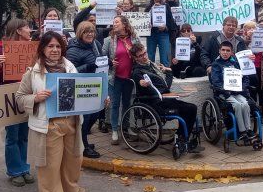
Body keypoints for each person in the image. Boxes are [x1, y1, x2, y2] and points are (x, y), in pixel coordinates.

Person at [16, 31, 87, 192]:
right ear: (43, 49)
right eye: (50, 46)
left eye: (58, 46)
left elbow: (83, 92)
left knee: (72, 161)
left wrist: (98, 99)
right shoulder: (32, 72)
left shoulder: (71, 68)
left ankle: (69, 189)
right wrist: (35, 98)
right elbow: (19, 99)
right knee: (49, 167)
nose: (54, 50)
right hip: (48, 125)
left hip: (71, 122)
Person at [130, 43, 203, 152]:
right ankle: (181, 138)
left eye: (144, 53)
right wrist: (142, 83)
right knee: (190, 109)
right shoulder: (137, 71)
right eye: (140, 55)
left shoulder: (152, 66)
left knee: (192, 108)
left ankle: (181, 137)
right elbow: (139, 81)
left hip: (166, 98)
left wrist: (168, 71)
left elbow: (165, 86)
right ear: (135, 58)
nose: (144, 56)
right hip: (155, 102)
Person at [0, 19, 35, 187]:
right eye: (27, 27)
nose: (30, 30)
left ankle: (25, 168)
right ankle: (15, 170)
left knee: (25, 135)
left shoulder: (33, 48)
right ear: (18, 30)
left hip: (28, 96)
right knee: (12, 136)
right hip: (11, 97)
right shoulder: (3, 49)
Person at [66, 21, 106, 158]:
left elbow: (100, 61)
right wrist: (87, 67)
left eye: (92, 31)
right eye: (86, 32)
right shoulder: (73, 50)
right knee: (85, 118)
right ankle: (83, 146)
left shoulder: (96, 45)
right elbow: (70, 72)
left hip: (95, 85)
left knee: (95, 114)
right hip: (81, 88)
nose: (90, 34)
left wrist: (108, 63)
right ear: (80, 33)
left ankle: (82, 140)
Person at [102, 16, 140, 145]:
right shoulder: (109, 40)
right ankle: (114, 130)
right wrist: (110, 62)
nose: (114, 24)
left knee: (127, 104)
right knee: (115, 104)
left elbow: (141, 54)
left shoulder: (134, 39)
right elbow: (102, 58)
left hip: (130, 78)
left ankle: (127, 128)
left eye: (117, 22)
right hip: (115, 78)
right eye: (113, 22)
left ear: (124, 24)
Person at [210, 41, 256, 141]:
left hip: (237, 92)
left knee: (245, 104)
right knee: (238, 105)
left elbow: (245, 78)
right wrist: (225, 89)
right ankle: (242, 131)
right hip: (224, 93)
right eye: (223, 50)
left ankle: (248, 129)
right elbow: (215, 82)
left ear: (232, 52)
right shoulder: (216, 65)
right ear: (219, 51)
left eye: (228, 51)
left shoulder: (236, 63)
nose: (225, 52)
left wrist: (242, 87)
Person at [242, 21, 263, 125]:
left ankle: (262, 115)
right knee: (251, 94)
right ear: (245, 31)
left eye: (253, 28)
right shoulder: (243, 41)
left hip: (262, 70)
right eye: (249, 28)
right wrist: (248, 38)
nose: (252, 30)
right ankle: (254, 115)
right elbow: (240, 50)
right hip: (249, 71)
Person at [145, 0, 177, 66]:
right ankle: (152, 75)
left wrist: (165, 27)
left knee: (164, 57)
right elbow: (144, 19)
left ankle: (166, 76)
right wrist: (152, 9)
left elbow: (171, 21)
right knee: (150, 57)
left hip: (163, 34)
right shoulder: (148, 7)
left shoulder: (166, 6)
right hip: (151, 35)